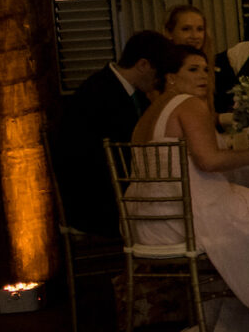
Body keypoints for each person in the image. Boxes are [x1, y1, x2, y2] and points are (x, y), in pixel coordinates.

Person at [129, 42, 249, 332]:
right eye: (193, 69)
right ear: (171, 77)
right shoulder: (189, 104)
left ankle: (221, 313)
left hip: (148, 222)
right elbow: (209, 161)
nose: (203, 76)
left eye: (206, 70)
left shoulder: (150, 112)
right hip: (186, 218)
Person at [53, 30, 168, 236]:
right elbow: (120, 152)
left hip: (110, 188)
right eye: (159, 74)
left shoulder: (126, 90)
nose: (159, 82)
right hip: (95, 199)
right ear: (143, 65)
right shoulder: (101, 93)